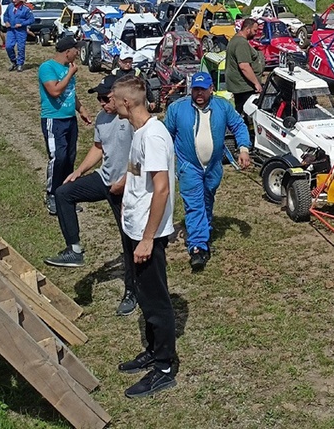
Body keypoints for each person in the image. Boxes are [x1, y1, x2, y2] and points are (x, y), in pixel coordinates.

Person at [45, 74, 138, 318]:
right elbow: (98, 147)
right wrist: (79, 171)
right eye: (98, 98)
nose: (101, 103)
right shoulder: (102, 117)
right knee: (64, 193)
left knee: (128, 241)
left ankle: (132, 291)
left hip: (126, 186)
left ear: (119, 98)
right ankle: (74, 249)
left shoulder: (132, 120)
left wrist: (125, 181)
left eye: (105, 98)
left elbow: (142, 158)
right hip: (105, 179)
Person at [109, 76, 178, 399]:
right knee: (143, 293)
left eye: (113, 99)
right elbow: (140, 174)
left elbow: (161, 188)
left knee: (155, 301)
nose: (109, 104)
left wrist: (149, 238)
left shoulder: (153, 137)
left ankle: (164, 366)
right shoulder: (140, 133)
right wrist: (123, 184)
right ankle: (153, 350)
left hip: (148, 233)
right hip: (135, 226)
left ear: (127, 104)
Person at [163, 71, 251, 272]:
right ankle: (198, 248)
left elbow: (238, 125)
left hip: (213, 167)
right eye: (195, 89)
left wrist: (244, 148)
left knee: (207, 199)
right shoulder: (177, 109)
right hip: (189, 167)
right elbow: (165, 134)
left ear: (212, 89)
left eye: (203, 89)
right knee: (194, 205)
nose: (199, 93)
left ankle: (203, 229)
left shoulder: (222, 106)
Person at [38, 34, 93, 215]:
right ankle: (52, 195)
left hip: (69, 119)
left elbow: (70, 92)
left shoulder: (68, 68)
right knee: (58, 157)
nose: (78, 53)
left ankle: (66, 195)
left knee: (69, 158)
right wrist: (70, 73)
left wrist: (81, 109)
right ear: (68, 51)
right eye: (76, 50)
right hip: (54, 120)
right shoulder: (47, 68)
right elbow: (54, 91)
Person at [225, 18, 263, 114]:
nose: (256, 33)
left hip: (242, 86)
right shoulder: (241, 43)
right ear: (247, 29)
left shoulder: (237, 39)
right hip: (244, 87)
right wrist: (256, 83)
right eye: (255, 30)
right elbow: (244, 66)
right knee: (244, 112)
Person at [3, 0, 35, 72]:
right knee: (8, 46)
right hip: (11, 30)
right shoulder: (10, 6)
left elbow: (31, 20)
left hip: (20, 31)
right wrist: (6, 21)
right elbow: (5, 15)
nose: (13, 0)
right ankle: (14, 62)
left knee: (21, 48)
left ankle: (20, 63)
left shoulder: (25, 9)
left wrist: (21, 24)